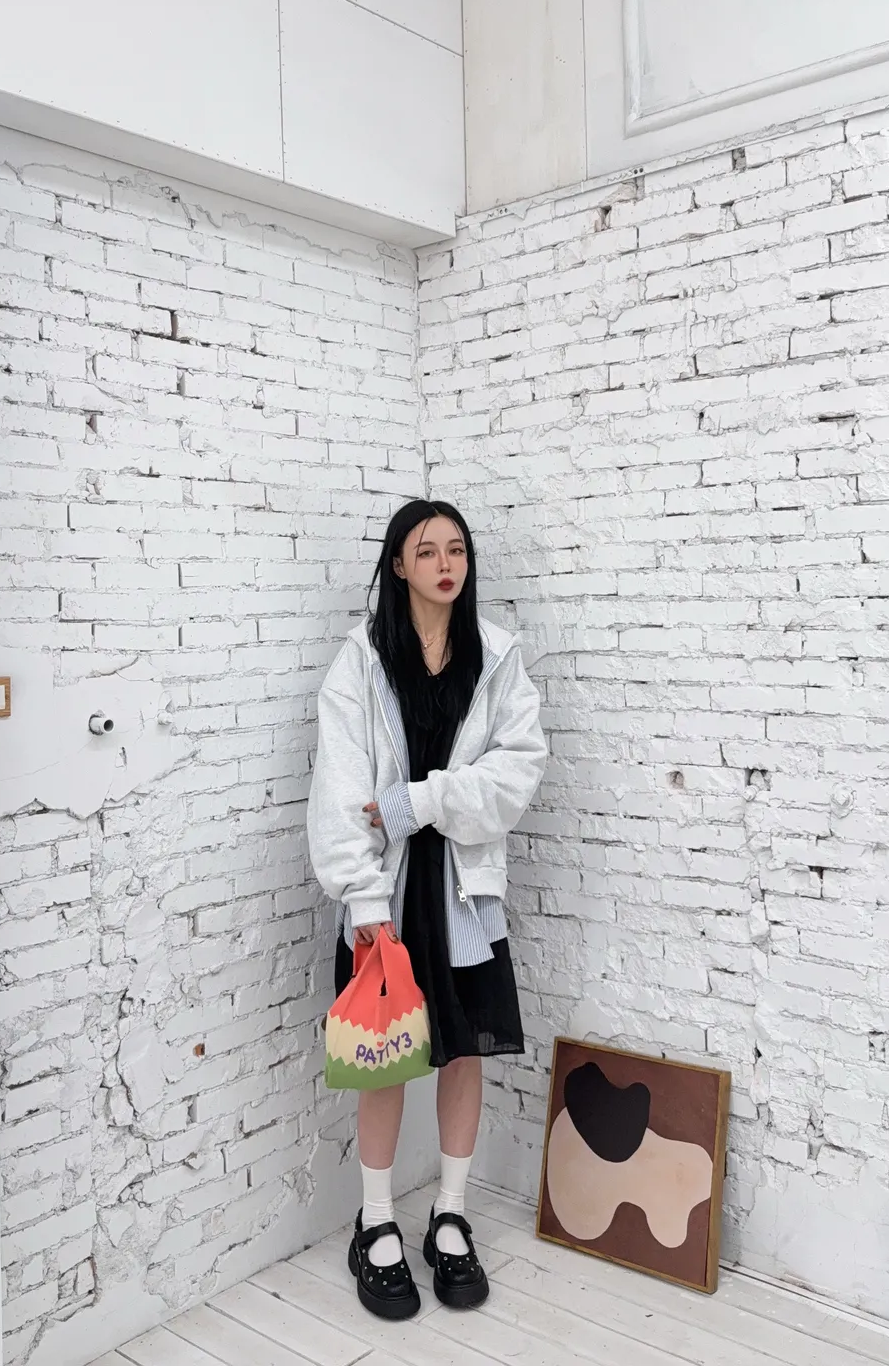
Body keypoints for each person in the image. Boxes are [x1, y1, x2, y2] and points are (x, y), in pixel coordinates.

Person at [306, 499, 547, 1321]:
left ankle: (450, 1214)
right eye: (427, 550)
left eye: (457, 550)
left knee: (463, 1052)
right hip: (387, 890)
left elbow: (518, 774)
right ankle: (375, 1223)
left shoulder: (498, 656)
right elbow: (341, 787)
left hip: (465, 888)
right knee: (385, 1058)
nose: (446, 564)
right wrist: (362, 896)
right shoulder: (361, 662)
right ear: (398, 565)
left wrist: (422, 800)